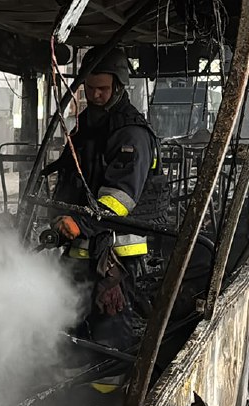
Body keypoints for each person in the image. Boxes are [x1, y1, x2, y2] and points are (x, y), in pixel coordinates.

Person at [44, 47, 169, 383]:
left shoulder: (132, 134)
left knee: (110, 328)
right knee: (70, 321)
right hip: (82, 247)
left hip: (115, 252)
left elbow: (119, 197)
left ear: (119, 86)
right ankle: (68, 398)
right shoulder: (86, 126)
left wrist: (77, 222)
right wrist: (56, 216)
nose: (96, 95)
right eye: (90, 88)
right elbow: (73, 179)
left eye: (103, 89)